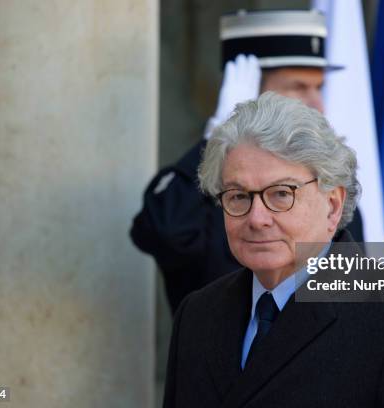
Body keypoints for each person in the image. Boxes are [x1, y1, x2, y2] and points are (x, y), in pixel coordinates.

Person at [162, 93, 384, 407]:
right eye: (238, 196)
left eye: (280, 194)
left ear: (332, 206)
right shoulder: (198, 315)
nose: (257, 218)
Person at [131, 9, 364, 313]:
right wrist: (217, 134)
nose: (317, 103)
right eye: (298, 87)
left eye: (318, 87)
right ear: (249, 91)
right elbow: (164, 229)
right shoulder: (211, 187)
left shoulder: (326, 185)